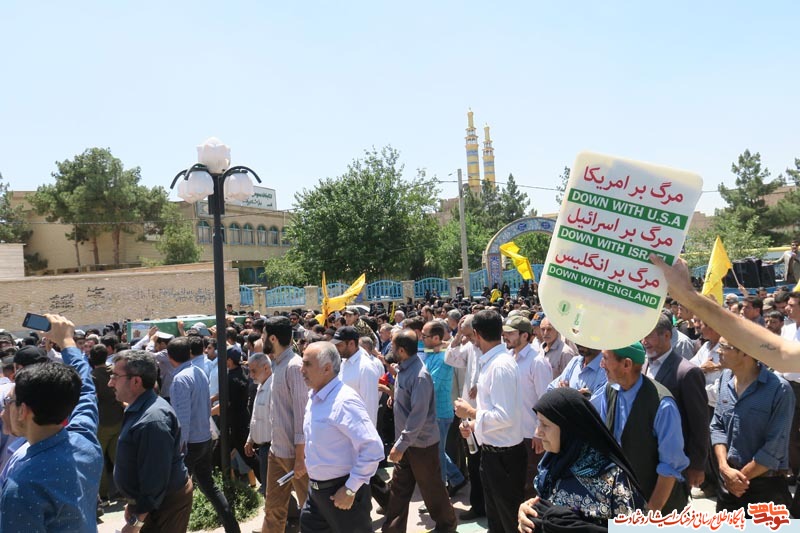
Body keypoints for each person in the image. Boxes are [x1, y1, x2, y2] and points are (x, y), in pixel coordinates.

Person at [0, 314, 103, 532]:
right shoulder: (84, 440)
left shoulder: (23, 486)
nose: (3, 412)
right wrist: (67, 342)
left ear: (23, 411)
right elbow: (86, 391)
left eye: (8, 402)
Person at [517, 388, 644, 532]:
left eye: (545, 425)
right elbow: (543, 510)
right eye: (538, 423)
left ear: (569, 429)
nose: (538, 432)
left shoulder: (614, 477)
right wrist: (526, 513)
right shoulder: (550, 466)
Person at [300, 341, 384, 532]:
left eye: (307, 364)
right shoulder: (314, 397)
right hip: (316, 493)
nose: (301, 369)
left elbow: (373, 449)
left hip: (342, 492)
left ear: (327, 368)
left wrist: (350, 489)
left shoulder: (344, 401)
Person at [596, 342, 690, 513]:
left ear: (626, 364)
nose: (601, 364)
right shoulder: (609, 391)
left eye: (605, 358)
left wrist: (650, 514)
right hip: (622, 501)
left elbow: (669, 467)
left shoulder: (662, 404)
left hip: (657, 507)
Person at [455, 309, 525, 533]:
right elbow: (494, 412)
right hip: (493, 454)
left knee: (509, 520)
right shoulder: (493, 361)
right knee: (496, 520)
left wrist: (471, 412)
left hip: (504, 458)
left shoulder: (500, 365)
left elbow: (505, 416)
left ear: (477, 334)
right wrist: (473, 425)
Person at [381, 329, 457, 533]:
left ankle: (447, 526)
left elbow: (418, 416)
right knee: (398, 490)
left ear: (402, 351)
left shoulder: (420, 375)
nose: (390, 350)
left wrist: (400, 445)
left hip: (421, 445)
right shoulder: (405, 369)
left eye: (393, 347)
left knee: (432, 490)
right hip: (406, 444)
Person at [111, 349, 193, 532]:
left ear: (136, 381)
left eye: (115, 376)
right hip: (152, 502)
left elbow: (155, 477)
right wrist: (133, 502)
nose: (110, 382)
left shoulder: (152, 421)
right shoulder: (138, 409)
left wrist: (136, 521)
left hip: (164, 503)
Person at [710, 337, 795, 515]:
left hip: (765, 489)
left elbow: (775, 447)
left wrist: (739, 479)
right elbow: (717, 426)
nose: (718, 351)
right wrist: (724, 468)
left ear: (745, 352)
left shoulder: (779, 389)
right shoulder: (725, 379)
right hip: (728, 483)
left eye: (724, 346)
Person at [168, 337, 239, 533]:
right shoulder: (198, 371)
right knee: (210, 487)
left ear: (170, 357)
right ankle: (233, 528)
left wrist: (179, 449)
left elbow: (182, 420)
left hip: (189, 444)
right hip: (204, 439)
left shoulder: (179, 379)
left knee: (178, 494)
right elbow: (206, 406)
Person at [261, 316, 309, 533]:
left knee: (311, 511)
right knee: (273, 509)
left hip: (295, 456)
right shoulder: (276, 364)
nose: (261, 339)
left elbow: (301, 417)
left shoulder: (294, 366)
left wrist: (300, 459)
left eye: (263, 335)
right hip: (277, 452)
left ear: (272, 338)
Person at [244, 352, 273, 496]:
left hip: (272, 449)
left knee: (273, 492)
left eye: (253, 371)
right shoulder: (261, 385)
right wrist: (250, 439)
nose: (251, 375)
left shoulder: (273, 388)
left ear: (266, 368)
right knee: (271, 491)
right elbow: (257, 417)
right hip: (263, 448)